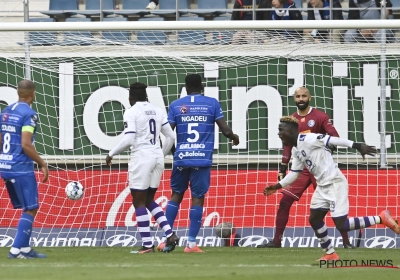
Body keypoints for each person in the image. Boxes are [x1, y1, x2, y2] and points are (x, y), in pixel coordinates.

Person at [264, 116, 399, 260]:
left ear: (291, 131)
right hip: (322, 186)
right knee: (315, 219)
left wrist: (358, 146)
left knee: (342, 225)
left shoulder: (308, 139)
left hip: (334, 182)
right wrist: (277, 186)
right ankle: (330, 253)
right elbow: (295, 173)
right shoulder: (296, 149)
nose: (278, 134)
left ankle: (381, 218)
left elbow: (333, 140)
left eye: (281, 130)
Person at [257, 87, 354, 249]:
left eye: (304, 96)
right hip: (300, 169)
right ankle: (276, 241)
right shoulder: (291, 120)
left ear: (309, 98)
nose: (301, 99)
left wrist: (327, 150)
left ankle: (346, 242)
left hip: (318, 170)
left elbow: (334, 136)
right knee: (284, 202)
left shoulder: (320, 116)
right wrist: (282, 167)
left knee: (333, 204)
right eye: (298, 96)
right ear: (294, 99)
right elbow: (287, 145)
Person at [159, 74, 240, 253]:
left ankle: (165, 239)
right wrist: (234, 137)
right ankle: (191, 244)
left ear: (185, 87)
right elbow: (225, 130)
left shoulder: (175, 105)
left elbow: (168, 135)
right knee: (197, 199)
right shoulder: (212, 104)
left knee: (176, 196)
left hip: (181, 158)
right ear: (202, 87)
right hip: (201, 159)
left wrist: (174, 153)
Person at [106, 82, 179, 254]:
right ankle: (169, 234)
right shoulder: (157, 110)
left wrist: (111, 153)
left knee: (138, 201)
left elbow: (130, 139)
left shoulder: (131, 112)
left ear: (130, 97)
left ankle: (147, 245)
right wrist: (161, 153)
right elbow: (171, 136)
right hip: (157, 158)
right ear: (145, 96)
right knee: (149, 200)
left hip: (142, 158)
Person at [0, 80, 49, 259]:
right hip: (21, 167)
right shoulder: (29, 115)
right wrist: (43, 164)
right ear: (33, 94)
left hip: (5, 165)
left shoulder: (5, 112)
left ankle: (25, 250)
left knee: (27, 208)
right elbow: (26, 144)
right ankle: (15, 251)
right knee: (31, 208)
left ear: (18, 93)